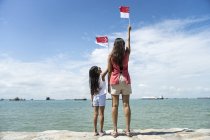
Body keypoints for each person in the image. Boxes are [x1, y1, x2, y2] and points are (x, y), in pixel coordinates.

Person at [105, 25, 132, 138]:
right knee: (126, 105)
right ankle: (127, 130)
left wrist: (108, 85)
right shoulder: (127, 53)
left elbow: (110, 71)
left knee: (114, 106)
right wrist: (128, 31)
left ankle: (115, 130)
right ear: (123, 45)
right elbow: (129, 41)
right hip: (125, 79)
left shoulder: (111, 56)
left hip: (115, 80)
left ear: (114, 46)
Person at [89, 66, 107, 136]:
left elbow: (92, 92)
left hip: (95, 97)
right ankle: (101, 131)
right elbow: (108, 69)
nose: (100, 68)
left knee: (95, 114)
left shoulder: (92, 80)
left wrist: (91, 101)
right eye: (98, 68)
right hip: (101, 96)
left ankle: (95, 131)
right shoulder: (101, 76)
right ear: (96, 71)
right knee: (101, 114)